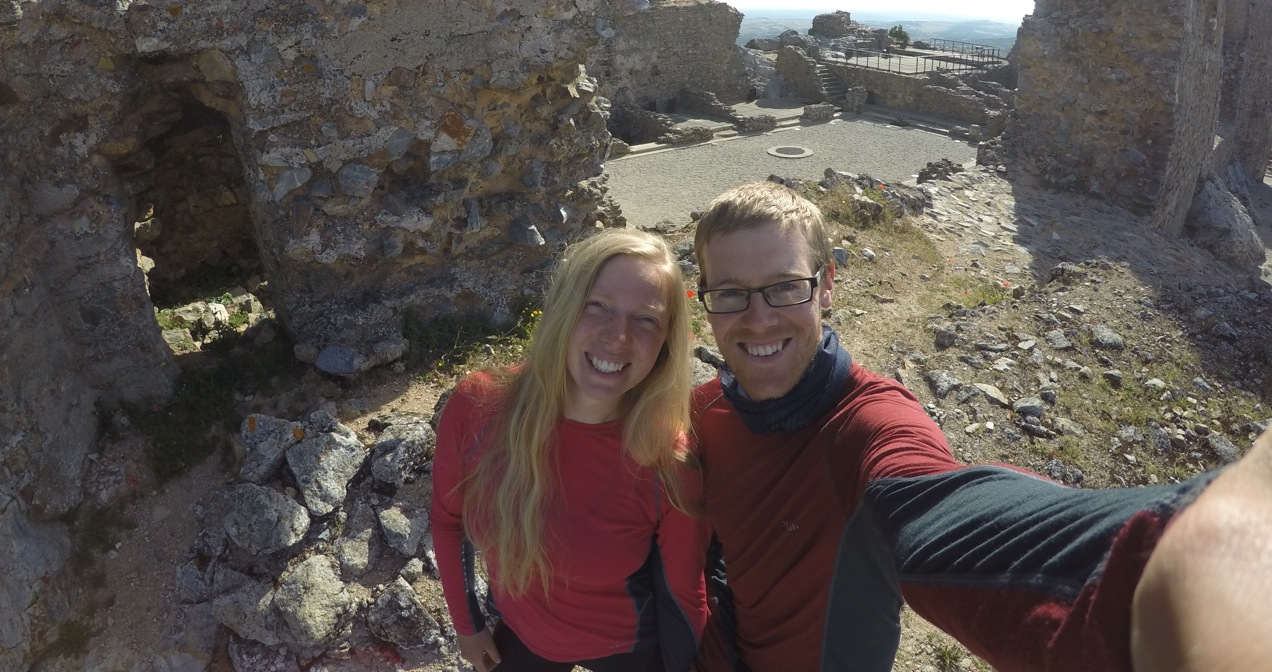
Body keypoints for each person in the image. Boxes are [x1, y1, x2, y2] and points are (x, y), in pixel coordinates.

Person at [687, 179, 1272, 672]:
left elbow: (943, 513)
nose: (758, 319)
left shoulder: (867, 424)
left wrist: (1191, 546)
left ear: (828, 285)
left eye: (786, 287)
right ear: (704, 297)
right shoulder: (702, 412)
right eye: (731, 293)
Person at [431, 228, 708, 672]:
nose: (618, 337)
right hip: (522, 633)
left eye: (646, 320)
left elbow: (684, 594)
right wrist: (468, 626)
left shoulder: (667, 459)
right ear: (563, 307)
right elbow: (448, 520)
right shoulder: (479, 408)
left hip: (629, 647)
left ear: (665, 343)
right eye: (597, 306)